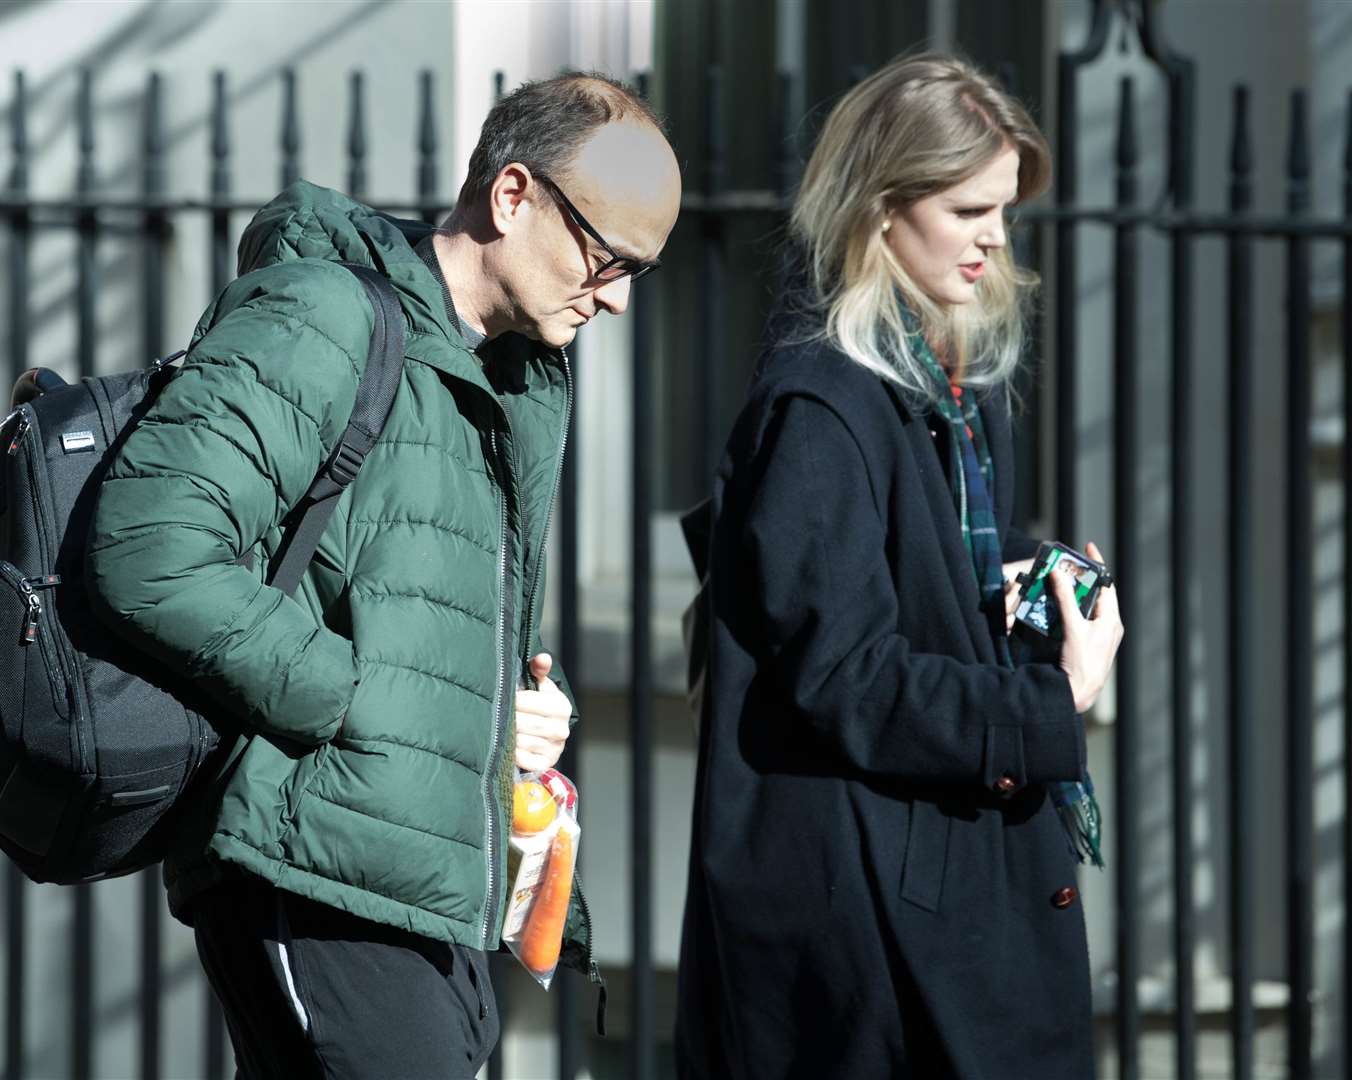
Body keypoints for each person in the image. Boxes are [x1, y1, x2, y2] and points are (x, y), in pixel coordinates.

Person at [85, 73, 681, 1078]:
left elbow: (413, 615)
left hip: (430, 885)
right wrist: (366, 702)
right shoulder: (324, 316)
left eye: (639, 274)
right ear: (512, 196)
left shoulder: (510, 375)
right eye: (607, 258)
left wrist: (500, 714)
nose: (617, 298)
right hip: (314, 867)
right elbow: (147, 548)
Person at [674, 52, 1123, 1079]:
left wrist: (1028, 588)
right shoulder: (822, 406)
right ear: (880, 209)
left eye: (1002, 208)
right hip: (869, 929)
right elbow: (846, 676)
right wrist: (1056, 700)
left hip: (937, 892)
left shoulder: (947, 382)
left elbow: (926, 588)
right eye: (969, 209)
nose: (997, 237)